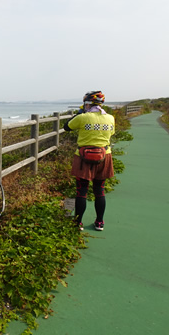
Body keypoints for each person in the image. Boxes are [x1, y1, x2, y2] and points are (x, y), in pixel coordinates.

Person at [63, 91, 115, 231]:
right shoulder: (110, 118)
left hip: (83, 158)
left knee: (82, 191)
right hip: (104, 157)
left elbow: (66, 126)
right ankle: (99, 222)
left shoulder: (83, 117)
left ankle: (78, 222)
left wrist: (79, 113)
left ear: (87, 104)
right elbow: (111, 134)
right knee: (100, 190)